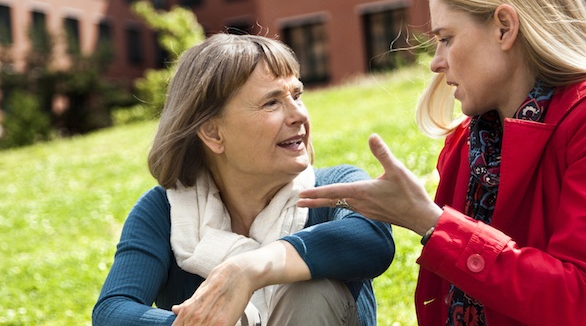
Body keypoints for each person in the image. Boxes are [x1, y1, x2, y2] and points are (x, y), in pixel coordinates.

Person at [298, 0, 586, 325]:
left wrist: (430, 222)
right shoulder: (469, 141)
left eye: (446, 38)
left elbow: (580, 300)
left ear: (504, 27)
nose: (435, 62)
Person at [92, 33, 394, 326]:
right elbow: (112, 312)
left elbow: (373, 238)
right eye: (271, 103)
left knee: (309, 288)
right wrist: (215, 320)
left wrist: (248, 269)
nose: (298, 115)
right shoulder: (164, 211)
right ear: (213, 133)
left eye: (297, 95)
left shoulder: (334, 187)